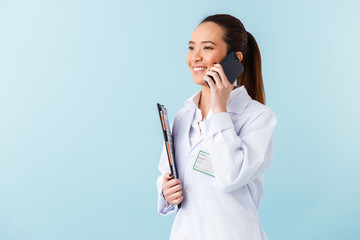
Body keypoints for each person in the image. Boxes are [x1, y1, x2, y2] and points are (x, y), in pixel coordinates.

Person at [156, 13, 277, 240]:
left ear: (235, 59)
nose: (196, 57)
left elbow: (230, 177)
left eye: (207, 48)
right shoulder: (183, 116)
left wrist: (219, 110)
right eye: (191, 48)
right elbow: (166, 173)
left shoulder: (258, 118)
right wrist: (165, 193)